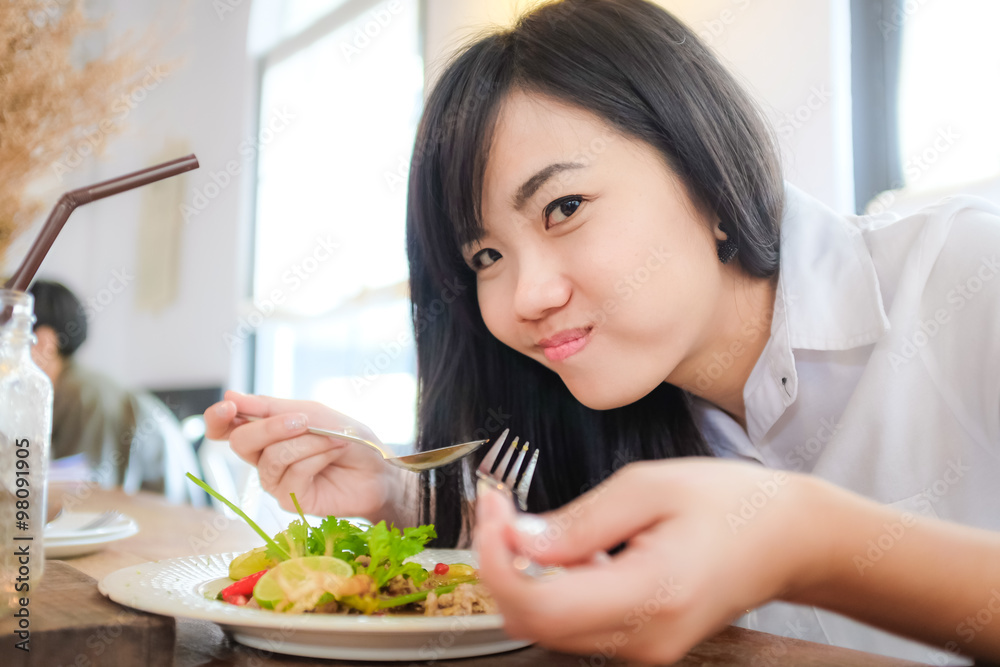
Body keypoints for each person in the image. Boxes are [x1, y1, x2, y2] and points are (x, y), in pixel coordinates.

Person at [204, 0, 1000, 663]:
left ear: (705, 166)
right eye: (485, 254)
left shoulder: (968, 277)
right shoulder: (617, 406)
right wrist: (401, 491)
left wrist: (807, 540)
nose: (528, 296)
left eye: (564, 208)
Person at [29, 279, 173, 493]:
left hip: (162, 516)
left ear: (43, 342)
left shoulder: (82, 394)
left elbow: (86, 494)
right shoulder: (70, 388)